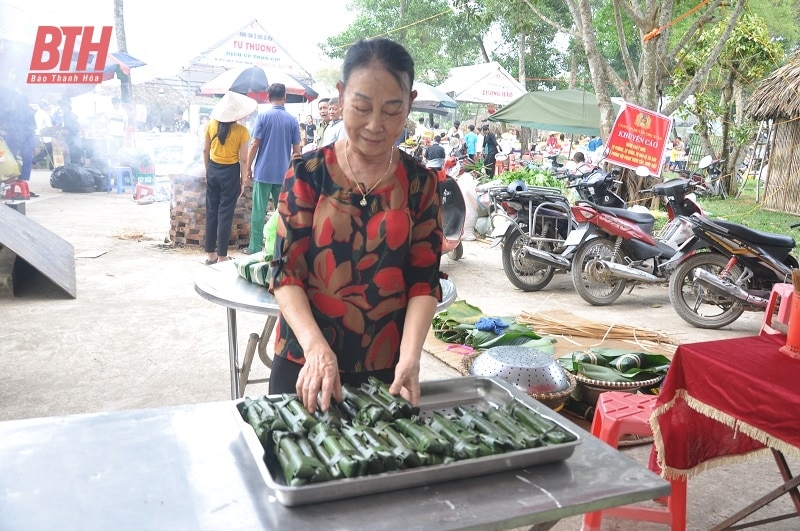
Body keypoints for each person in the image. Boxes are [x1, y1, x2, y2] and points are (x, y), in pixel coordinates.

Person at [269, 37, 443, 413]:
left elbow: (423, 281)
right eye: (362, 107)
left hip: (387, 372)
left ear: (410, 103)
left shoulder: (420, 184)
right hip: (305, 365)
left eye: (392, 111)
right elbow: (285, 274)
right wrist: (316, 349)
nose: (375, 125)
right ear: (341, 95)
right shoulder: (308, 174)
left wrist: (411, 358)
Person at [244, 83, 301, 255]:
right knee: (282, 212)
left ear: (269, 98)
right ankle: (279, 247)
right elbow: (297, 151)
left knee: (259, 211)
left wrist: (248, 167)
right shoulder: (292, 121)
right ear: (285, 97)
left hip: (263, 172)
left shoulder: (263, 117)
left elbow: (255, 144)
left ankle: (254, 247)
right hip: (284, 174)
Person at [203, 91, 257, 265]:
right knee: (225, 214)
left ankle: (210, 254)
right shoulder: (242, 131)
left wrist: (208, 170)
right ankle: (222, 256)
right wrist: (243, 181)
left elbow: (205, 151)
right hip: (231, 173)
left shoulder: (211, 125)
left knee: (211, 211)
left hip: (213, 170)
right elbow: (243, 159)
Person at [32, 100, 53, 170]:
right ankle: (34, 160)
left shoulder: (37, 113)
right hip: (46, 135)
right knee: (50, 149)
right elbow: (49, 126)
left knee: (48, 149)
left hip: (39, 134)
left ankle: (34, 160)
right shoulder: (44, 114)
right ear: (44, 106)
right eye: (47, 106)